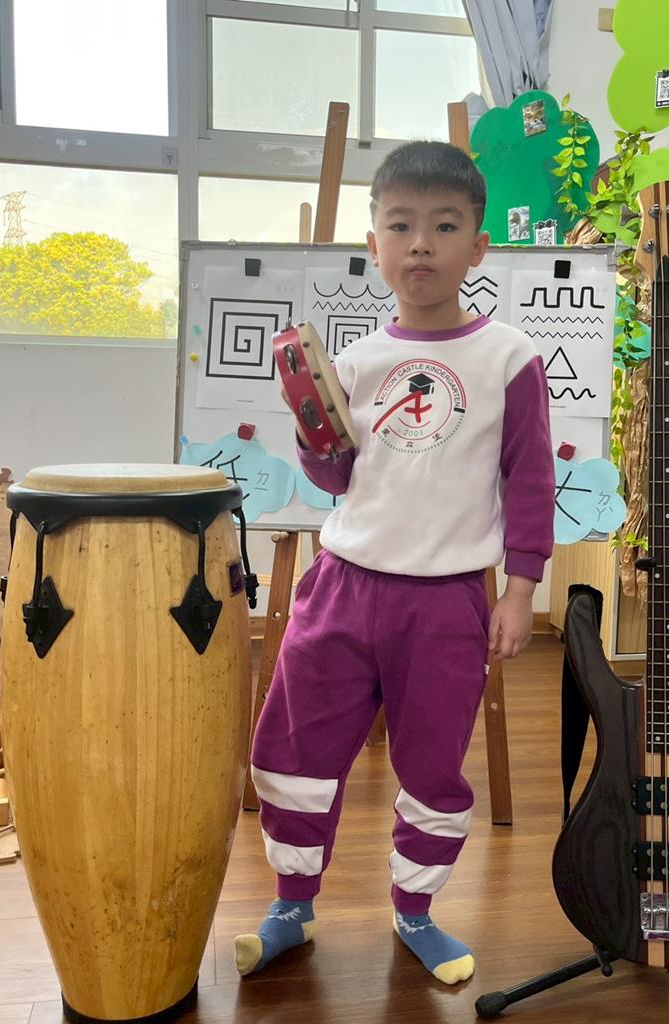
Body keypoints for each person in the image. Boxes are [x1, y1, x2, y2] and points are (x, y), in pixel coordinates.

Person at [234, 140, 555, 985]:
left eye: (444, 227)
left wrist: (520, 589)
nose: (420, 245)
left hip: (446, 603)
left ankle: (415, 911)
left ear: (477, 246)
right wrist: (312, 431)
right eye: (400, 226)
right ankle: (290, 907)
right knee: (293, 748)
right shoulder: (353, 362)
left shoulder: (509, 357)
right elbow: (337, 478)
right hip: (340, 588)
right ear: (373, 244)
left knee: (432, 764)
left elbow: (529, 479)